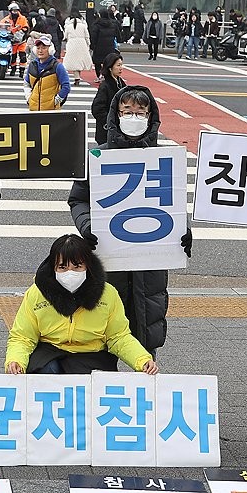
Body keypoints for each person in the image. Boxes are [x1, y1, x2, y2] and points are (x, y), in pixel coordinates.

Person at [69, 85, 192, 357]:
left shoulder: (163, 158)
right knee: (103, 342)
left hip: (150, 266)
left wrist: (183, 233)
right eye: (127, 111)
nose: (133, 118)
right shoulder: (98, 157)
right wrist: (88, 227)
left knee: (146, 339)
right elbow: (77, 200)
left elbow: (170, 206)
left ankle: (145, 392)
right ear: (116, 114)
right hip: (109, 260)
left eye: (141, 112)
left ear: (151, 117)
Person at [4, 235, 159, 375]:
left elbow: (119, 337)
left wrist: (142, 360)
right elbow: (23, 336)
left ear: (88, 267)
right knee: (48, 372)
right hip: (49, 352)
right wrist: (16, 361)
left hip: (91, 354)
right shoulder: (36, 293)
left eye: (77, 266)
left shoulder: (108, 294)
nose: (69, 273)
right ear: (53, 268)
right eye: (62, 267)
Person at [24, 36, 69, 111]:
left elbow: (66, 86)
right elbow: (26, 83)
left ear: (50, 50)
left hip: (51, 112)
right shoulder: (32, 65)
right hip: (33, 109)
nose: (40, 51)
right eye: (38, 48)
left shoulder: (57, 66)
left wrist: (56, 101)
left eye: (44, 48)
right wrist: (29, 98)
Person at [91, 52, 127, 146]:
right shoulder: (105, 86)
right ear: (110, 68)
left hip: (119, 131)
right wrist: (110, 122)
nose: (121, 68)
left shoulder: (121, 84)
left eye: (121, 65)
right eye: (118, 65)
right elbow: (97, 109)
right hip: (106, 132)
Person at [62, 11, 93, 83]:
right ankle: (77, 76)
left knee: (73, 60)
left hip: (71, 43)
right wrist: (88, 44)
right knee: (80, 60)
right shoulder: (83, 26)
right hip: (82, 43)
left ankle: (77, 77)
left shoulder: (68, 26)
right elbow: (87, 36)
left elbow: (65, 36)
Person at [0, 2, 29, 77]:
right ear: (10, 11)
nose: (15, 12)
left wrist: (21, 31)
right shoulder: (6, 19)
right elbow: (0, 25)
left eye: (16, 10)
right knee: (13, 56)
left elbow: (26, 27)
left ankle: (22, 71)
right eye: (13, 11)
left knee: (23, 56)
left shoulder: (22, 18)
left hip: (21, 41)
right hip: (12, 41)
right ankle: (13, 69)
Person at [89, 8, 118, 75]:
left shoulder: (96, 24)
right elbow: (118, 35)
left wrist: (92, 45)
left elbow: (94, 37)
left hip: (99, 47)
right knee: (108, 61)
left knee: (97, 62)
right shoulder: (113, 24)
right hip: (110, 46)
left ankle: (99, 75)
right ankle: (107, 74)